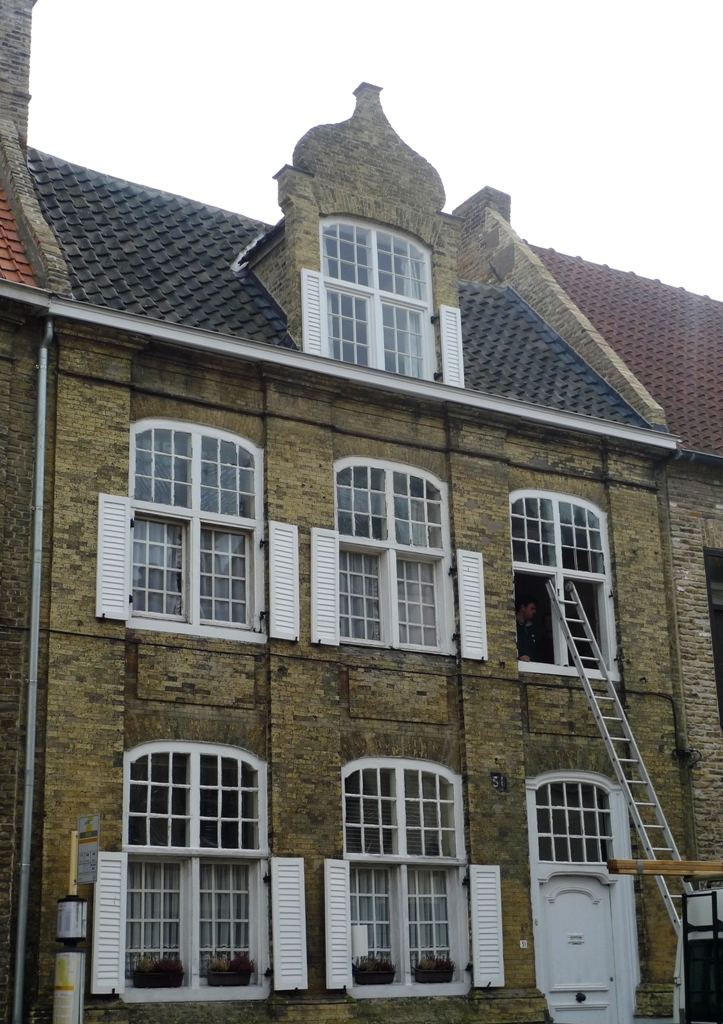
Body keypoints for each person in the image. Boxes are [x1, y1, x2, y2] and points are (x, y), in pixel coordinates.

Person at [516, 594, 538, 662]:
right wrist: (518, 657)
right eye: (532, 608)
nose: (534, 611)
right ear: (523, 607)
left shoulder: (531, 628)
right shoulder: (512, 626)